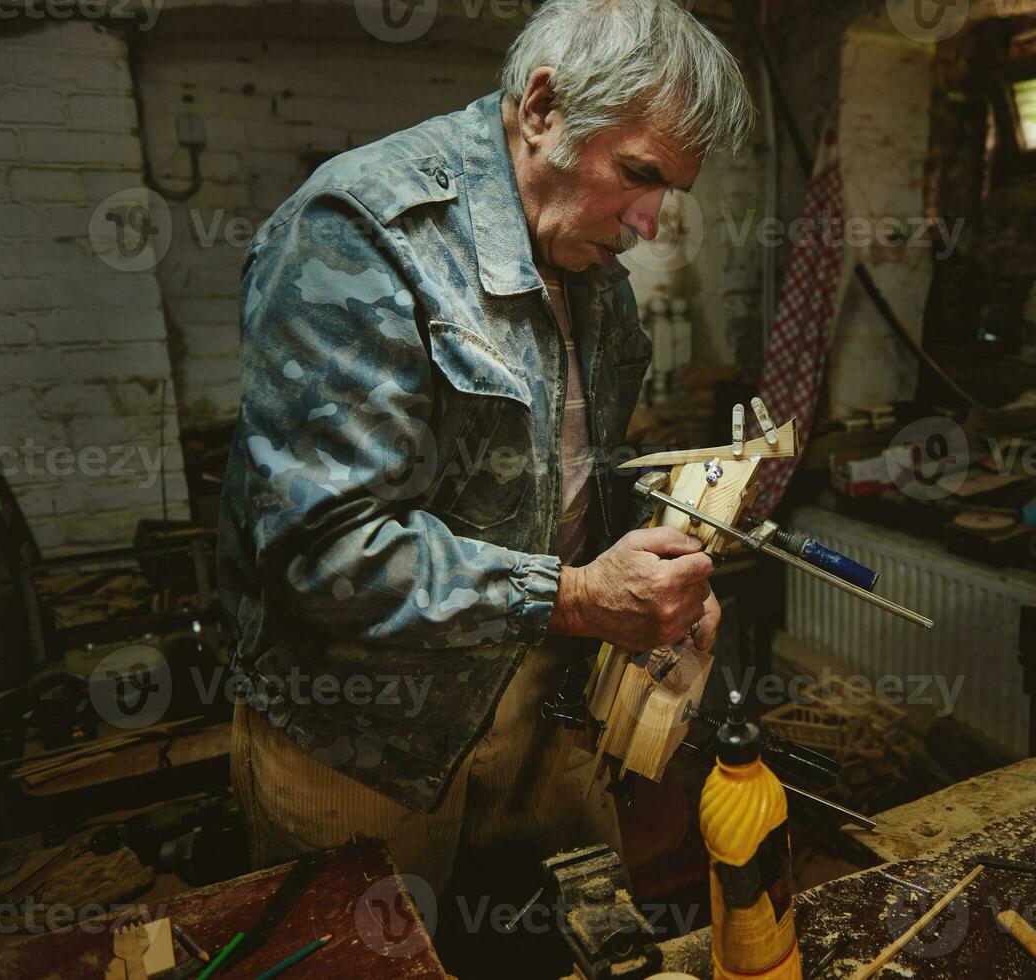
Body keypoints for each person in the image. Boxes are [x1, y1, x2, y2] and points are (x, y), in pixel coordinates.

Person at [217, 0, 756, 895]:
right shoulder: (361, 230)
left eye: (669, 191)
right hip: (364, 742)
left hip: (547, 705)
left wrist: (661, 576)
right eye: (638, 173)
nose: (651, 221)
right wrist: (582, 596)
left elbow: (576, 473)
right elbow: (322, 553)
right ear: (542, 109)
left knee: (570, 947)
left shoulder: (588, 262)